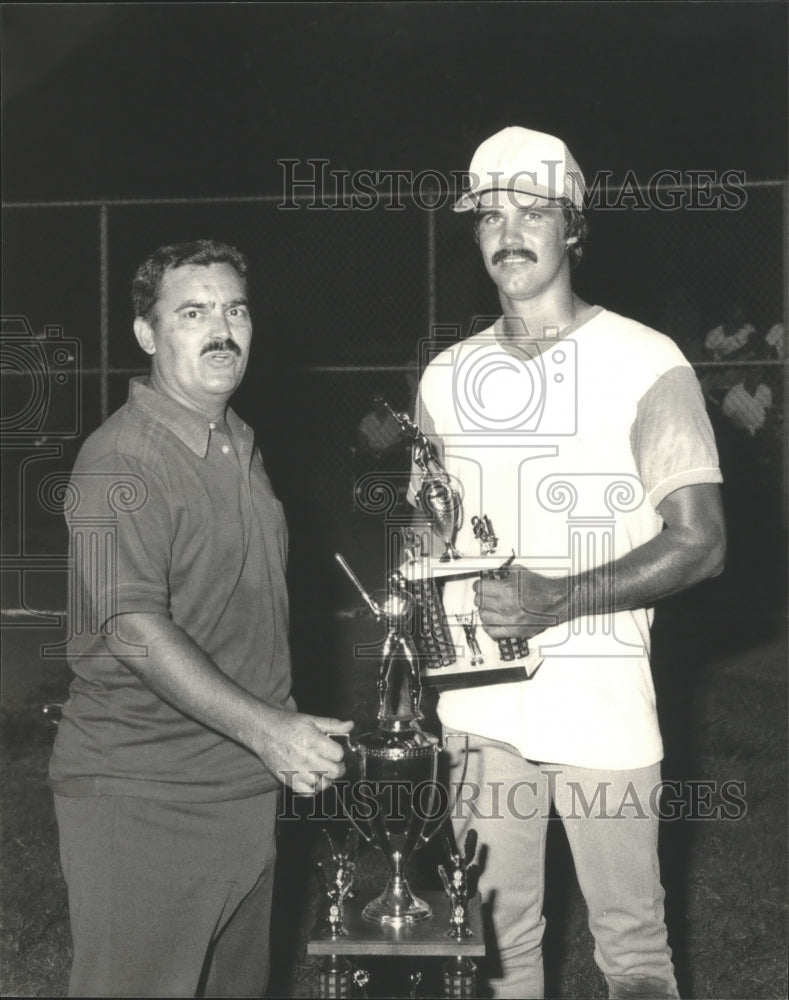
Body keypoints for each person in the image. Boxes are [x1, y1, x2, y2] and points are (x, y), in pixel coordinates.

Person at [408, 127, 726, 999]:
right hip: (481, 709)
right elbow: (431, 534)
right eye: (488, 216)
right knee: (495, 949)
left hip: (602, 704)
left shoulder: (645, 360)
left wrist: (557, 598)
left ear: (573, 229)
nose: (508, 232)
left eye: (532, 211)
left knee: (631, 952)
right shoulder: (446, 375)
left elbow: (700, 542)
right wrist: (420, 557)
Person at [48, 239, 353, 998]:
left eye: (235, 310)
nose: (222, 329)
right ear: (148, 335)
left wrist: (273, 731)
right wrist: (267, 729)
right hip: (144, 796)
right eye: (192, 313)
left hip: (241, 789)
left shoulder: (238, 441)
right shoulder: (121, 459)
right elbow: (134, 628)